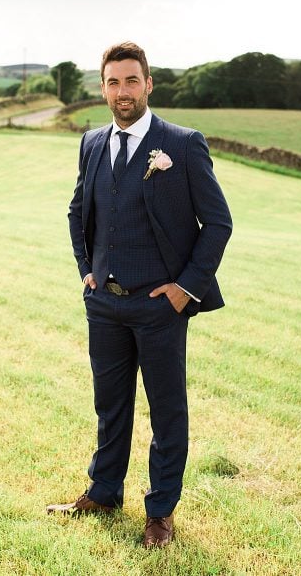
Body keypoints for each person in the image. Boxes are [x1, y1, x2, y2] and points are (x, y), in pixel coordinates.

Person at [48, 42, 233, 548]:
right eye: (113, 82)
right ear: (102, 87)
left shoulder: (183, 144)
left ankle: (160, 512)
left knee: (167, 410)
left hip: (159, 308)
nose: (122, 91)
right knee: (110, 406)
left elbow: (218, 223)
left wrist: (185, 289)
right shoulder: (90, 143)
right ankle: (104, 492)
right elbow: (76, 211)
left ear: (148, 85)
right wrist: (87, 271)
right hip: (104, 304)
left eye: (132, 81)